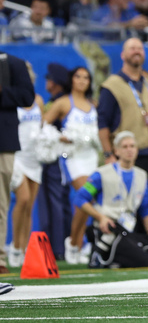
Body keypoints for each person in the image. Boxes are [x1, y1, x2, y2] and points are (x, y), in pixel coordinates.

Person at [75, 131, 148, 268]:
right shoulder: (101, 174)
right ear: (116, 151)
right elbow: (80, 198)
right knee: (147, 260)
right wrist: (101, 218)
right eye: (125, 146)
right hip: (109, 230)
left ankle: (114, 260)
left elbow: (145, 208)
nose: (129, 150)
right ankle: (103, 255)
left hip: (128, 232)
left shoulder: (141, 175)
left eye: (132, 146)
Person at [97, 38, 148, 236]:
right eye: (132, 48)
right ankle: (125, 243)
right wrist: (108, 154)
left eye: (140, 48)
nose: (137, 51)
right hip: (125, 155)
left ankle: (147, 242)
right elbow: (102, 124)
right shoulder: (111, 85)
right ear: (123, 54)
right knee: (126, 203)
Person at [43, 66, 99, 264]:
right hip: (73, 159)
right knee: (86, 196)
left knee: (85, 204)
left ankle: (75, 244)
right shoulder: (63, 102)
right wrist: (60, 138)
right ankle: (75, 243)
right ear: (71, 80)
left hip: (91, 157)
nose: (82, 80)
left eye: (86, 77)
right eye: (78, 76)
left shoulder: (93, 104)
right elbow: (44, 124)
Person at [0, 51, 35, 273]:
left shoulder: (12, 63)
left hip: (2, 142)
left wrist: (3, 92)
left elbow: (27, 97)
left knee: (0, 201)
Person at [8, 62, 44, 268]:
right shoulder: (11, 100)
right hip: (17, 155)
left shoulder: (38, 99)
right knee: (23, 198)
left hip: (34, 157)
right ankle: (14, 245)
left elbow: (42, 124)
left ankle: (23, 249)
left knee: (30, 206)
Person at [36, 63, 71, 260]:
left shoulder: (59, 103)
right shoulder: (56, 101)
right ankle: (58, 246)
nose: (47, 82)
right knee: (58, 203)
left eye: (49, 79)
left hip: (56, 159)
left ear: (56, 82)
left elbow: (45, 127)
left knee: (55, 203)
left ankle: (57, 248)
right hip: (59, 159)